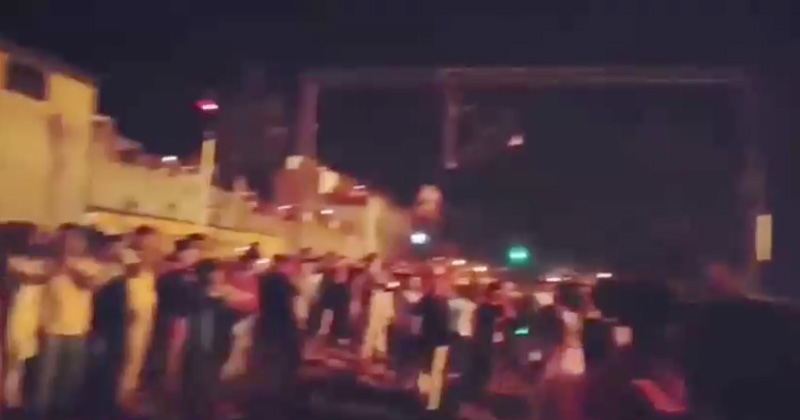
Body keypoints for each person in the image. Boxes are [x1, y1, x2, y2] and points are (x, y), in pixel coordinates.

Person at [33, 224, 106, 418]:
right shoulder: (49, 264)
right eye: (67, 240)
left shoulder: (91, 264)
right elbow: (37, 282)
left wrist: (69, 268)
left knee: (70, 381)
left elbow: (90, 284)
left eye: (76, 240)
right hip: (51, 330)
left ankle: (63, 414)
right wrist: (59, 265)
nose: (71, 244)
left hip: (78, 331)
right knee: (44, 380)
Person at [257, 254, 300, 408]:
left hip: (270, 327)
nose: (294, 269)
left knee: (273, 366)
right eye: (292, 266)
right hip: (282, 328)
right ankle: (282, 399)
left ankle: (274, 398)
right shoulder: (279, 282)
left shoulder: (267, 279)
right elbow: (286, 306)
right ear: (284, 265)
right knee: (283, 366)